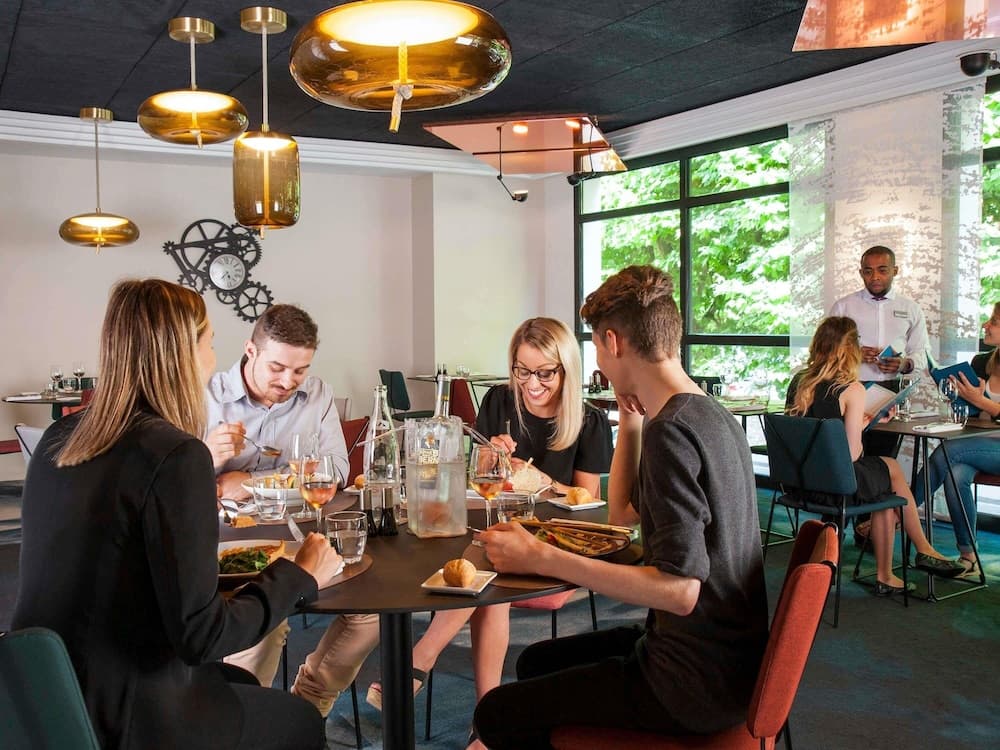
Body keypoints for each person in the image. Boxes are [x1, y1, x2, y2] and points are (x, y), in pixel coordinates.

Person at [12, 279, 344, 750]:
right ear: (184, 353)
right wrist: (299, 574)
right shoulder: (177, 456)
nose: (212, 358)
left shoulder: (61, 437)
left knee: (242, 684)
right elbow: (202, 636)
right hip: (127, 715)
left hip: (43, 695)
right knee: (301, 722)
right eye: (209, 343)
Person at [471, 266, 768, 748]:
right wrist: (630, 421)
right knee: (535, 662)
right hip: (732, 663)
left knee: (497, 714)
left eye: (595, 347)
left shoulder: (672, 434)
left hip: (686, 683)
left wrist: (542, 557)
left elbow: (679, 591)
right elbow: (623, 515)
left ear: (612, 342)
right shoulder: (708, 414)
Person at [367, 317, 613, 749]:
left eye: (544, 373)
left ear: (565, 369)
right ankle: (486, 723)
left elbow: (586, 500)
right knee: (491, 573)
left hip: (554, 544)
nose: (531, 384)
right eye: (522, 370)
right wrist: (490, 457)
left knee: (489, 563)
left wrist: (541, 479)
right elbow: (478, 480)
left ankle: (421, 658)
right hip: (498, 534)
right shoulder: (500, 400)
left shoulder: (589, 420)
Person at [203, 303, 380, 718]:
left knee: (371, 610)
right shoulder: (206, 396)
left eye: (299, 370)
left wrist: (246, 481)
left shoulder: (316, 394)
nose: (288, 381)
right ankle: (245, 721)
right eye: (277, 368)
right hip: (233, 546)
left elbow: (335, 470)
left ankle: (308, 707)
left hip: (302, 538)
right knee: (267, 619)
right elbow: (177, 484)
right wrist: (207, 458)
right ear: (251, 351)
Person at [786, 316, 965, 592]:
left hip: (799, 483)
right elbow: (852, 455)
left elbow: (817, 434)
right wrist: (862, 424)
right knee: (890, 473)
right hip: (834, 488)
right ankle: (917, 553)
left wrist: (860, 422)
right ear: (850, 349)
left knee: (886, 482)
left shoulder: (799, 382)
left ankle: (900, 566)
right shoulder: (852, 389)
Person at [914, 302, 1000, 578]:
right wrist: (957, 395)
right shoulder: (981, 362)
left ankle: (898, 511)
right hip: (980, 444)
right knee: (956, 474)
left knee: (948, 451)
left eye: (994, 321)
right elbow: (973, 414)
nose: (986, 325)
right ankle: (969, 556)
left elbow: (983, 405)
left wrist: (980, 400)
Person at [829, 245, 930, 461]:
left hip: (890, 390)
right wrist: (853, 354)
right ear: (861, 273)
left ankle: (878, 482)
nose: (875, 277)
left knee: (883, 458)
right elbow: (826, 350)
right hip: (849, 387)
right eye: (868, 271)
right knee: (848, 456)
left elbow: (922, 353)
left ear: (895, 271)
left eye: (882, 270)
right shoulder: (843, 307)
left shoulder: (911, 309)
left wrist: (904, 364)